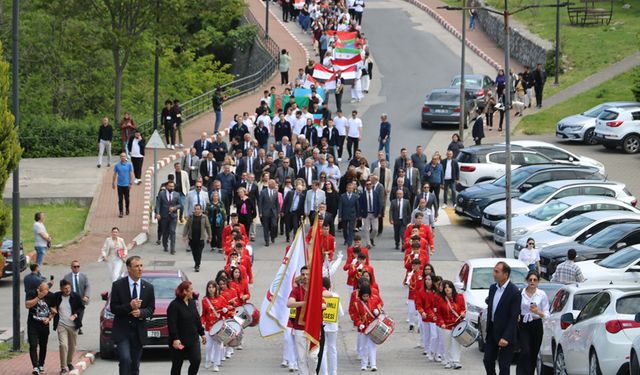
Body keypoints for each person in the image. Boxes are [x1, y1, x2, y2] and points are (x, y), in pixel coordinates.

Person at [110, 256, 155, 375]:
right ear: (129, 268)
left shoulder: (148, 287)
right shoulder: (118, 285)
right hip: (122, 331)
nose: (140, 269)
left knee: (135, 364)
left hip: (138, 331)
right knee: (125, 359)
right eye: (136, 266)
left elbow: (151, 309)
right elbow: (113, 308)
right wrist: (129, 306)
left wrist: (141, 313)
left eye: (141, 266)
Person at [483, 261, 521, 375]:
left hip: (506, 333)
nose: (493, 274)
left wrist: (506, 337)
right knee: (488, 360)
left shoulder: (514, 292)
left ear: (506, 274)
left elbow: (514, 317)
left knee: (504, 366)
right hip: (492, 330)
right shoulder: (493, 288)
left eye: (496, 271)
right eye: (494, 271)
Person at [167, 281, 205, 375]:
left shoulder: (192, 303)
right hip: (179, 341)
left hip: (193, 339)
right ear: (185, 291)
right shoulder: (174, 305)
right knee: (177, 364)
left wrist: (202, 333)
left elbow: (197, 319)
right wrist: (175, 338)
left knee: (196, 360)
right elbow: (172, 324)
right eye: (191, 290)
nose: (193, 292)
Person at [517, 271, 549, 375]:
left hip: (536, 324)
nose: (532, 282)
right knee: (525, 350)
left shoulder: (542, 294)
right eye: (530, 279)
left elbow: (547, 314)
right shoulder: (520, 293)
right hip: (524, 323)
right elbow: (516, 308)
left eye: (535, 280)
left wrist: (537, 311)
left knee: (533, 353)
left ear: (538, 282)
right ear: (527, 281)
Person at [287, 266, 317, 375]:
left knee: (313, 357)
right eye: (303, 274)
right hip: (299, 329)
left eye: (307, 274)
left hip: (313, 328)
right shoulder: (296, 290)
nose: (305, 277)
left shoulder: (316, 289)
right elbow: (289, 303)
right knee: (301, 358)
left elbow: (327, 295)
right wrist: (304, 303)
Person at [52, 279, 85, 374]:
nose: (67, 290)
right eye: (65, 288)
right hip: (61, 324)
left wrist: (75, 314)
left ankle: (69, 362)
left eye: (69, 288)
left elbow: (81, 307)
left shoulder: (76, 296)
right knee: (63, 345)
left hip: (73, 325)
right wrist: (52, 308)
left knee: (72, 346)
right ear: (61, 289)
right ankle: (63, 367)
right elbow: (50, 302)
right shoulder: (57, 296)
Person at [348, 284, 383, 371]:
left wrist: (377, 312)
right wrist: (359, 323)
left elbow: (380, 310)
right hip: (363, 328)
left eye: (367, 295)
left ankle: (373, 364)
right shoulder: (356, 303)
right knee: (363, 347)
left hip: (372, 327)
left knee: (372, 346)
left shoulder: (374, 300)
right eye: (364, 296)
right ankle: (364, 364)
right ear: (361, 295)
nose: (366, 297)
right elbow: (354, 315)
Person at [25, 281, 56, 375]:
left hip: (44, 324)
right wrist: (38, 297)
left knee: (43, 346)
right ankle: (35, 367)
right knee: (33, 345)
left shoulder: (51, 296)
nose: (45, 294)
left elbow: (54, 310)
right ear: (39, 289)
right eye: (43, 292)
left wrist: (49, 318)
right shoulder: (31, 293)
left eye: (46, 292)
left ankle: (41, 365)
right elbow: (27, 305)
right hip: (32, 324)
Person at [435, 280, 465, 369]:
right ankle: (448, 360)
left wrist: (463, 313)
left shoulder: (460, 297)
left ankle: (456, 361)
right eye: (445, 287)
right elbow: (439, 314)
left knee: (456, 343)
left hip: (457, 325)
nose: (447, 289)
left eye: (449, 287)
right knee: (447, 344)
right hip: (446, 325)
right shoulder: (441, 300)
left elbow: (463, 309)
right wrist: (442, 323)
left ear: (452, 288)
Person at [201, 281, 228, 372]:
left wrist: (225, 311)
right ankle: (208, 360)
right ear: (207, 289)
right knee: (208, 346)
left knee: (217, 347)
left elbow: (227, 312)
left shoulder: (221, 298)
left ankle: (216, 364)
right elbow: (203, 314)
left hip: (218, 327)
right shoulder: (204, 300)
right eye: (209, 287)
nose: (211, 289)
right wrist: (202, 322)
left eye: (213, 287)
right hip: (208, 327)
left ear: (216, 288)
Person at [63, 260, 90, 334]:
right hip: (71, 298)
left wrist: (86, 296)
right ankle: (76, 327)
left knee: (80, 313)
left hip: (81, 298)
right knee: (73, 312)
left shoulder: (84, 276)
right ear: (71, 267)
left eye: (78, 266)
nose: (76, 268)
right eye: (74, 267)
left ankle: (78, 326)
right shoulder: (67, 277)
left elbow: (87, 287)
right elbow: (64, 287)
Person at [183, 204, 212, 272]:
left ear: (201, 210)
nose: (196, 210)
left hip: (200, 238)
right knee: (194, 252)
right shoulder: (191, 217)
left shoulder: (204, 217)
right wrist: (184, 235)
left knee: (199, 252)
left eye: (198, 209)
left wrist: (209, 237)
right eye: (195, 209)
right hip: (192, 238)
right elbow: (186, 226)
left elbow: (208, 227)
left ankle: (197, 265)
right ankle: (196, 261)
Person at [156, 181, 181, 254]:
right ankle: (165, 245)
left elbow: (180, 205)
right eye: (170, 186)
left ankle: (172, 249)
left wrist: (174, 208)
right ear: (167, 186)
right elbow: (158, 204)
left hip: (173, 217)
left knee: (172, 231)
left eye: (172, 186)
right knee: (165, 232)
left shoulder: (177, 194)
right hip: (164, 216)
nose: (171, 188)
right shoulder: (161, 194)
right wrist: (157, 213)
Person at [258, 179, 281, 246]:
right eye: (274, 184)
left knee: (274, 225)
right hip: (265, 212)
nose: (275, 185)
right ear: (270, 184)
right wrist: (260, 212)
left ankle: (272, 236)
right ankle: (267, 241)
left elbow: (277, 203)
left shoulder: (275, 192)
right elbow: (260, 203)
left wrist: (278, 212)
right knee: (266, 227)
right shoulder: (263, 192)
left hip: (273, 212)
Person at [359, 179, 381, 248]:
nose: (368, 186)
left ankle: (371, 238)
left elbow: (379, 203)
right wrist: (360, 214)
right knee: (366, 229)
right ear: (365, 186)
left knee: (375, 229)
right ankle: (368, 243)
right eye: (367, 184)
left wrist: (379, 212)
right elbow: (360, 205)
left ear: (372, 185)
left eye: (370, 184)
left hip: (374, 213)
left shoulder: (375, 193)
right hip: (366, 214)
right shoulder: (362, 195)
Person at [112, 152, 134, 218]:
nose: (123, 157)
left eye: (124, 156)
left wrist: (130, 183)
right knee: (120, 199)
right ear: (120, 157)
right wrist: (113, 183)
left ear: (126, 157)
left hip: (126, 185)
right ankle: (121, 212)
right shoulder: (117, 165)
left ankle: (127, 209)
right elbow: (114, 174)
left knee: (127, 199)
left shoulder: (129, 165)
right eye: (121, 156)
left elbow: (131, 174)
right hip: (120, 185)